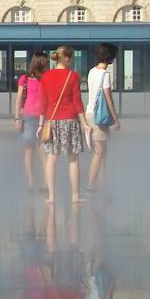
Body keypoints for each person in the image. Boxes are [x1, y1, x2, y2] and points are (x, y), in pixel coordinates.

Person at [36, 45, 86, 206]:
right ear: (66, 58)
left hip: (52, 121)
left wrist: (40, 123)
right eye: (70, 57)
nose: (71, 60)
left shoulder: (46, 77)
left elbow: (43, 102)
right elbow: (77, 101)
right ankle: (75, 195)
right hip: (70, 120)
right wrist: (85, 122)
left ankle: (51, 196)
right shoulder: (73, 76)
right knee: (73, 159)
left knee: (52, 159)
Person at [84, 43, 122, 193]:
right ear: (110, 57)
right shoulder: (105, 75)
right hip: (99, 116)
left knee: (102, 151)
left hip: (89, 113)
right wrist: (116, 119)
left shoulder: (91, 72)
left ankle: (102, 184)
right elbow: (108, 99)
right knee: (99, 152)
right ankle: (91, 185)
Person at [13, 51, 48, 192]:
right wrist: (17, 117)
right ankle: (33, 182)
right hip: (32, 116)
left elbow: (19, 97)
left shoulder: (45, 78)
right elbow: (19, 97)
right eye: (46, 63)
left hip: (40, 116)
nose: (47, 66)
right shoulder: (25, 79)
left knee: (39, 150)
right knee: (34, 150)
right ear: (40, 63)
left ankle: (42, 182)